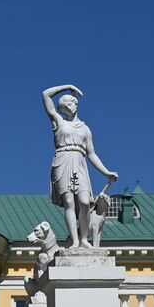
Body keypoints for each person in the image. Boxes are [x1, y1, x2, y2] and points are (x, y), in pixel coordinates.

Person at [41, 83, 118, 250]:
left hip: (80, 161)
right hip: (62, 160)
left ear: (76, 104)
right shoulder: (59, 122)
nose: (68, 106)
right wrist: (67, 86)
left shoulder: (85, 129)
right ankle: (75, 241)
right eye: (64, 105)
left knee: (84, 203)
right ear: (61, 110)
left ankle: (84, 239)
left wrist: (106, 172)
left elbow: (92, 154)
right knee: (69, 202)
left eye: (71, 102)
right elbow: (46, 94)